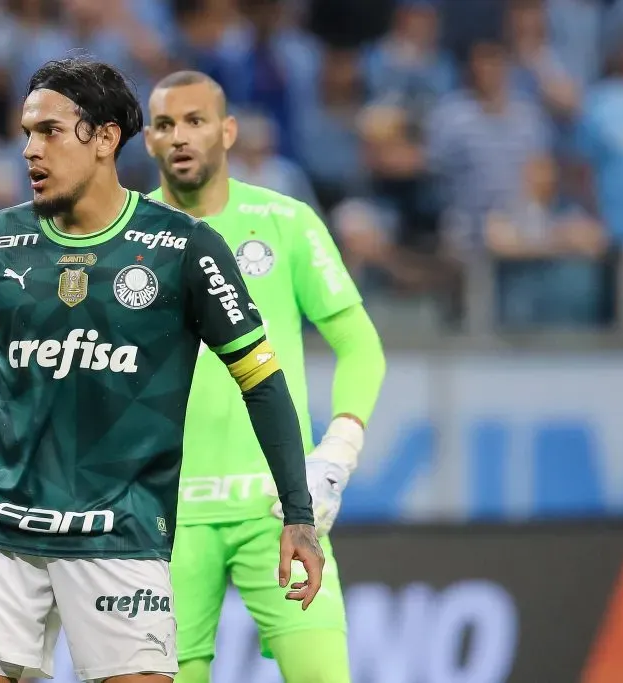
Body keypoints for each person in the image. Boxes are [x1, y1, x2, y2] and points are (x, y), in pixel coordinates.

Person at [0, 57, 325, 683]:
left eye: (49, 131)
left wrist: (298, 514)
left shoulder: (184, 247)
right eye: (26, 133)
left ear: (104, 139)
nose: (29, 151)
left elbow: (260, 380)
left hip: (120, 534)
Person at [144, 71, 387, 683]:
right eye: (166, 124)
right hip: (162, 518)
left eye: (196, 121)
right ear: (148, 140)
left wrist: (336, 453)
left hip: (278, 508)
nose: (181, 137)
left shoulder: (286, 221)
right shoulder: (124, 238)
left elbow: (360, 345)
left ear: (227, 131)